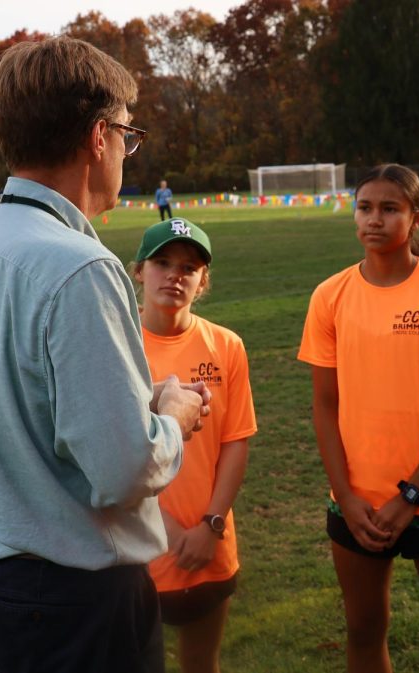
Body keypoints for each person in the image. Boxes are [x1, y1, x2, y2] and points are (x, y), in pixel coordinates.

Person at [0, 36, 206, 673]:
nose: (127, 155)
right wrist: (174, 417)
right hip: (69, 599)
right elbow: (123, 470)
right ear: (98, 137)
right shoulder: (80, 266)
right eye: (129, 137)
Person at [299, 164, 419, 673]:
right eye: (365, 208)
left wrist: (411, 496)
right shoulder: (329, 296)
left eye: (390, 209)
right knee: (363, 630)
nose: (374, 219)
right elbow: (325, 403)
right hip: (356, 502)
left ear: (416, 217)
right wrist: (345, 495)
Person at [132, 218, 257, 673]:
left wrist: (211, 523)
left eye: (189, 267)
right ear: (139, 271)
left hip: (210, 543)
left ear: (203, 280)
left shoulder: (226, 346)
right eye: (162, 262)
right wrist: (161, 527)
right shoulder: (117, 346)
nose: (174, 275)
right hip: (138, 544)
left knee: (201, 664)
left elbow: (235, 441)